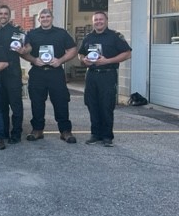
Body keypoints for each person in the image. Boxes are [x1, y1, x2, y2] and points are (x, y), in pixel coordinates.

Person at [20, 8, 78, 143]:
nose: (45, 19)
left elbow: (73, 49)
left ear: (52, 18)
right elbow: (23, 51)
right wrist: (34, 60)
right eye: (42, 17)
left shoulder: (61, 33)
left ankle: (65, 131)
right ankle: (37, 130)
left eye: (48, 16)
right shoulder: (32, 34)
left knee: (61, 102)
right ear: (38, 19)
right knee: (37, 102)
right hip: (37, 73)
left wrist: (60, 60)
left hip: (55, 73)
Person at [78, 11, 132, 147]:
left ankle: (107, 136)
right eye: (96, 20)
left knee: (106, 105)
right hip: (91, 74)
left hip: (108, 74)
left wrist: (108, 61)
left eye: (101, 19)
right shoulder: (88, 37)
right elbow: (80, 54)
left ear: (106, 20)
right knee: (92, 104)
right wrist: (84, 60)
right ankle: (95, 134)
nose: (98, 22)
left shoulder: (115, 36)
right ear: (93, 22)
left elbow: (127, 53)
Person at [0, 5, 25, 143]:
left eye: (6, 13)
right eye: (1, 13)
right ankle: (4, 132)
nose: (3, 16)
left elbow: (28, 47)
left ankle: (16, 134)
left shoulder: (17, 31)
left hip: (13, 73)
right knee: (1, 106)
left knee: (16, 105)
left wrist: (23, 50)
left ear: (9, 16)